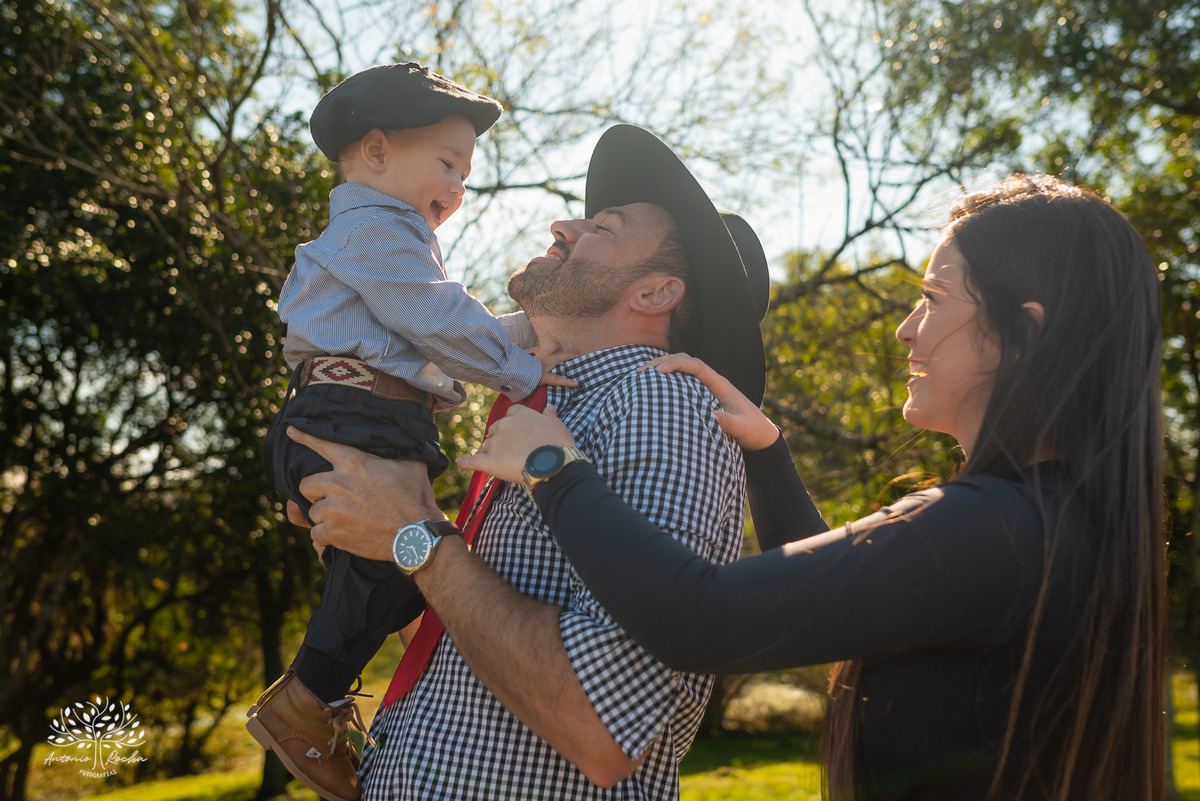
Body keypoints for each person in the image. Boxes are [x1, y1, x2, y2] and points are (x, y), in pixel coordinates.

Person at [454, 174, 1167, 800]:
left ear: (1020, 332)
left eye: (933, 297)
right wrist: (768, 453)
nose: (904, 329)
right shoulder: (1044, 526)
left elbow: (701, 619)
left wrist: (556, 472)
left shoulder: (990, 529)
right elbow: (826, 618)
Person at [285, 124, 774, 799]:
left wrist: (417, 535)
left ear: (656, 294)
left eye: (605, 225)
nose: (564, 223)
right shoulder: (550, 415)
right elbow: (468, 651)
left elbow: (604, 728)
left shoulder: (661, 402)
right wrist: (368, 531)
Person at [247, 62, 571, 801]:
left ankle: (323, 695)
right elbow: (442, 323)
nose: (458, 188)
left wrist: (541, 333)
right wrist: (527, 378)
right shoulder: (372, 230)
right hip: (351, 417)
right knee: (389, 559)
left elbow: (454, 324)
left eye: (466, 176)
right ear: (377, 151)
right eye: (448, 163)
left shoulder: (393, 239)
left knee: (403, 584)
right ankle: (306, 702)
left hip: (366, 416)